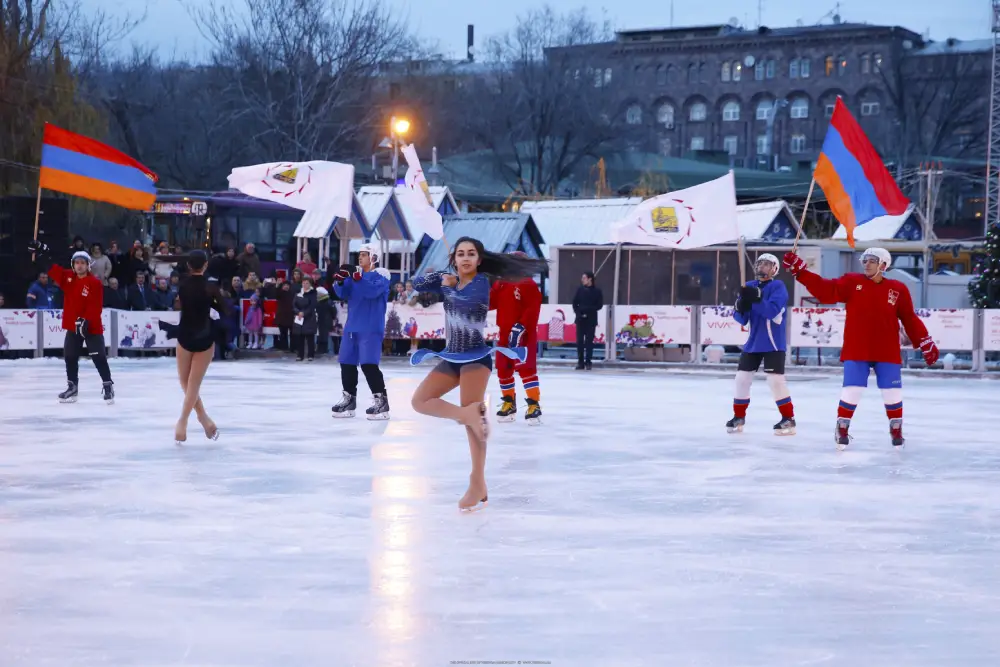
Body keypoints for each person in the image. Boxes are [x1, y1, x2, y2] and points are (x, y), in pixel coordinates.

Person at [409, 237, 548, 512]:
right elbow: (417, 284)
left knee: (474, 427)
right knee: (420, 401)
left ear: (479, 260)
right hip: (451, 356)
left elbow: (466, 300)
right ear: (455, 258)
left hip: (475, 358)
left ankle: (477, 482)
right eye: (460, 254)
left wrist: (448, 286)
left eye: (471, 254)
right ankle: (467, 415)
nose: (465, 258)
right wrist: (441, 277)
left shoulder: (483, 283)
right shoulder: (450, 279)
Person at [783, 248, 939, 448]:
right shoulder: (852, 282)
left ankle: (896, 427)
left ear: (883, 265)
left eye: (872, 260)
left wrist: (925, 340)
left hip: (886, 349)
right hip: (858, 348)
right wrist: (801, 272)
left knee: (892, 391)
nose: (866, 264)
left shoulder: (898, 289)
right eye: (864, 260)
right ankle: (842, 426)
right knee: (852, 389)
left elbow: (909, 318)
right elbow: (826, 290)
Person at [153, 251, 227, 444]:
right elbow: (225, 309)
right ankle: (196, 419)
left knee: (186, 383)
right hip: (204, 336)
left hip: (185, 336)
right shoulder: (210, 287)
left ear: (188, 266)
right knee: (192, 385)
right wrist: (213, 306)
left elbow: (178, 306)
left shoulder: (182, 285)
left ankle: (191, 421)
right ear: (205, 265)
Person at [28, 240, 115, 404]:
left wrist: (86, 321)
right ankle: (72, 387)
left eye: (83, 263)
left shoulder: (94, 283)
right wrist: (40, 252)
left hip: (91, 326)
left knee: (98, 357)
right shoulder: (68, 278)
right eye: (77, 263)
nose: (79, 266)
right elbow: (51, 268)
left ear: (88, 265)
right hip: (72, 326)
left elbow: (95, 306)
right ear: (73, 265)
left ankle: (108, 385)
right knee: (70, 356)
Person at [726, 254, 795, 436]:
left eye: (767, 264)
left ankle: (788, 418)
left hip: (773, 343)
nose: (762, 266)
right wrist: (740, 306)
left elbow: (772, 311)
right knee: (741, 379)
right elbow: (742, 319)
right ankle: (738, 416)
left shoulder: (778, 287)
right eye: (759, 263)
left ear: (775, 269)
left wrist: (756, 299)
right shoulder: (749, 286)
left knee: (775, 381)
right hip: (753, 342)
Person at [331, 243, 392, 419]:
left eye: (364, 254)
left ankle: (381, 403)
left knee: (368, 364)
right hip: (352, 326)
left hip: (371, 327)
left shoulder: (382, 274)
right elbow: (342, 293)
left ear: (373, 257)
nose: (360, 257)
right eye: (359, 254)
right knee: (346, 362)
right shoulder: (355, 275)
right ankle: (349, 400)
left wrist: (357, 277)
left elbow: (371, 291)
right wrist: (340, 280)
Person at [489, 254, 544, 424]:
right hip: (505, 332)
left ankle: (534, 404)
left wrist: (522, 325)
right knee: (503, 368)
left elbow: (533, 307)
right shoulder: (501, 283)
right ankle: (508, 402)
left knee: (526, 369)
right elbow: (490, 302)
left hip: (524, 334)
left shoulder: (528, 284)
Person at [572, 271, 603, 369]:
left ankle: (588, 361)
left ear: (590, 279)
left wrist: (588, 310)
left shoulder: (597, 291)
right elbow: (574, 303)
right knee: (580, 341)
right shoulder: (579, 290)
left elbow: (599, 305)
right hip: (580, 319)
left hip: (591, 319)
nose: (582, 280)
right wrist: (579, 313)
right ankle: (580, 362)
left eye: (584, 278)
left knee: (589, 341)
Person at [293, 275, 318, 361]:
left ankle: (310, 355)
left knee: (310, 337)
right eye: (303, 283)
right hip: (299, 317)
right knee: (300, 337)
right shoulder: (298, 293)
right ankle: (300, 355)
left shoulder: (313, 293)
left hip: (309, 317)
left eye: (307, 283)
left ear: (310, 284)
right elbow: (294, 305)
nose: (305, 285)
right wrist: (298, 312)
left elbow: (312, 306)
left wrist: (304, 313)